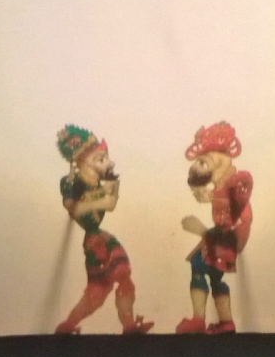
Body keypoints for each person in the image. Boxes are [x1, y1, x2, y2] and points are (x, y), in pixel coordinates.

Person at [54, 125, 153, 335]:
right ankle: (71, 325)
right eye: (100, 159)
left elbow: (111, 203)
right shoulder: (73, 182)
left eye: (106, 158)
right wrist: (102, 200)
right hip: (95, 241)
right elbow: (74, 208)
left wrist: (109, 194)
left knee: (111, 284)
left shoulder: (101, 184)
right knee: (102, 287)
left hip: (98, 237)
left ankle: (126, 324)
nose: (109, 163)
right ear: (83, 163)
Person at [176, 122, 253, 334]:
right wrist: (205, 195)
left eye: (203, 162)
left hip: (226, 240)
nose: (196, 167)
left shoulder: (234, 186)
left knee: (199, 266)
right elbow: (217, 202)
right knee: (214, 276)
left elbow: (231, 222)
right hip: (223, 238)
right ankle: (225, 322)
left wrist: (201, 230)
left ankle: (200, 319)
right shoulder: (221, 187)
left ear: (219, 163)